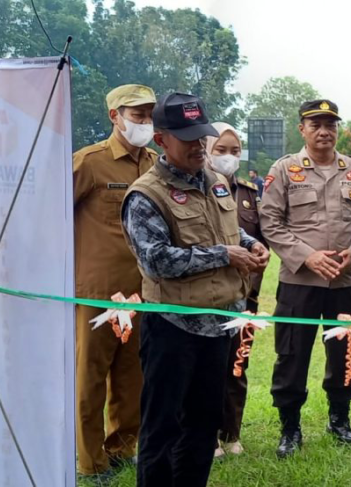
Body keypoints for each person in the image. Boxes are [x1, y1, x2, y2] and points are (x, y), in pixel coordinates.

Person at [121, 92, 269, 486]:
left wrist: (250, 244)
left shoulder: (216, 182)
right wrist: (226, 255)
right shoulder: (145, 195)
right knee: (161, 431)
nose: (197, 145)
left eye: (200, 135)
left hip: (217, 326)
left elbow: (227, 229)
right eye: (185, 136)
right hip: (173, 327)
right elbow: (157, 260)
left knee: (203, 428)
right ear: (161, 139)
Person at [259, 99, 351, 458]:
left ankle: (340, 419)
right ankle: (290, 428)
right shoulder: (285, 169)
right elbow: (270, 223)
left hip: (345, 281)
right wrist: (307, 256)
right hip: (299, 283)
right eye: (316, 124)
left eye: (331, 124)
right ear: (302, 129)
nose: (324, 131)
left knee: (345, 353)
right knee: (291, 355)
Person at [72, 84, 157, 479]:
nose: (144, 122)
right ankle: (91, 461)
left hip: (144, 292)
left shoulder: (154, 163)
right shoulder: (89, 162)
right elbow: (49, 213)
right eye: (136, 115)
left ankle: (122, 447)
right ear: (115, 116)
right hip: (97, 292)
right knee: (90, 380)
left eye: (148, 115)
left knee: (132, 376)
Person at [204, 122, 267, 457]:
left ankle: (231, 432)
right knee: (207, 368)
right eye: (221, 150)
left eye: (234, 151)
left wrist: (261, 254)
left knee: (236, 366)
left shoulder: (248, 193)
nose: (229, 157)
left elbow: (263, 238)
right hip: (209, 295)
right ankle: (207, 435)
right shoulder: (198, 189)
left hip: (246, 297)